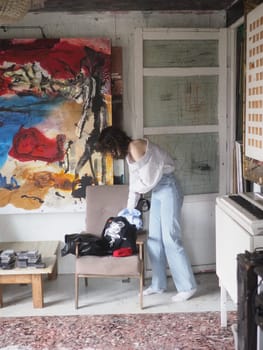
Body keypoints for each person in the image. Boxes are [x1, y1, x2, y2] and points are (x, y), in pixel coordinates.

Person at [96, 126, 197, 302]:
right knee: (154, 240)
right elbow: (135, 187)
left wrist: (133, 206)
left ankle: (188, 286)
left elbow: (147, 182)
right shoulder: (129, 154)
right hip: (158, 191)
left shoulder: (136, 146)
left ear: (114, 143)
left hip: (168, 187)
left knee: (170, 238)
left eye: (109, 150)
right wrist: (127, 213)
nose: (111, 154)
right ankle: (159, 285)